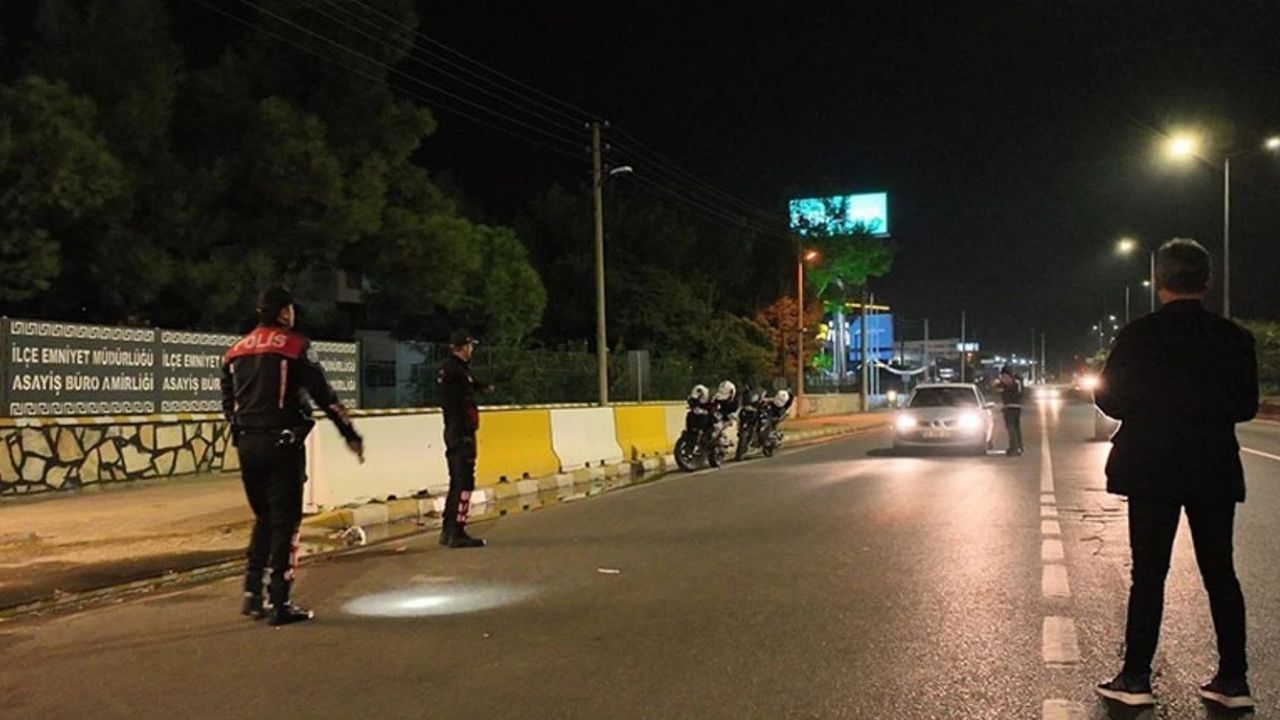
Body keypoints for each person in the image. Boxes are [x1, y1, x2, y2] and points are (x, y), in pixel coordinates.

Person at [1094, 238, 1258, 710]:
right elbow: (1246, 406)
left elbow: (1110, 398)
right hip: (1213, 467)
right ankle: (1233, 680)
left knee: (1149, 573)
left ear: (1160, 283)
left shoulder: (1138, 335)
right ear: (1207, 282)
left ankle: (1136, 678)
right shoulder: (1234, 338)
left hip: (1151, 469)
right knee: (1220, 573)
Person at [221, 286, 364, 626]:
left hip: (247, 446)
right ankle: (280, 601)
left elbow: (229, 404)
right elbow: (324, 396)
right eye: (290, 309)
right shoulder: (295, 346)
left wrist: (242, 432)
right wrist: (350, 434)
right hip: (282, 443)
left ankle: (252, 594)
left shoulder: (234, 352)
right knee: (286, 522)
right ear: (284, 312)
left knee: (265, 519)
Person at [437, 330, 492, 549]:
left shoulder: (450, 369)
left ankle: (448, 530)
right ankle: (458, 531)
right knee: (465, 482)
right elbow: (461, 402)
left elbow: (469, 385)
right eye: (469, 346)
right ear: (462, 347)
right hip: (462, 433)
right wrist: (467, 433)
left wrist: (482, 386)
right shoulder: (457, 372)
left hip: (453, 431)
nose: (472, 350)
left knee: (456, 482)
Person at [993, 365, 1024, 455]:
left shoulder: (1010, 383)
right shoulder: (1018, 382)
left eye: (1004, 376)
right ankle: (1019, 447)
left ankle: (1014, 448)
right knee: (1016, 428)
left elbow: (997, 387)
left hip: (1010, 407)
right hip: (1016, 407)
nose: (1003, 378)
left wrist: (1000, 384)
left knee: (1011, 428)